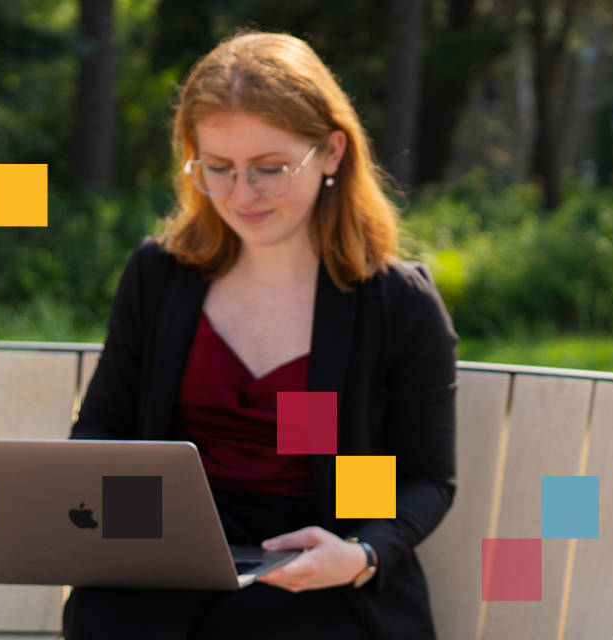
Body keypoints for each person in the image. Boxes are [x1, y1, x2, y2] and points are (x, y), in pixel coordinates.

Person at [64, 31, 457, 640]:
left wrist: (360, 553)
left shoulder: (393, 302)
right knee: (103, 617)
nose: (241, 195)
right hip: (174, 547)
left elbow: (427, 475)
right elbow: (102, 427)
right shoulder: (162, 277)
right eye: (217, 169)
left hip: (322, 555)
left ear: (331, 152)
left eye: (270, 169)